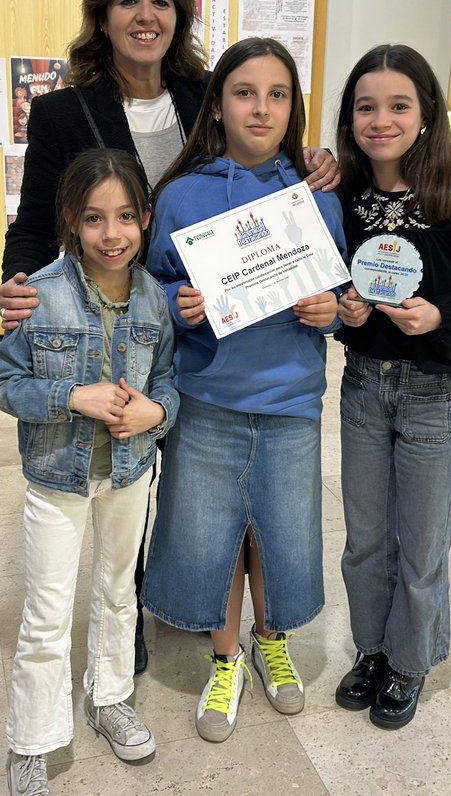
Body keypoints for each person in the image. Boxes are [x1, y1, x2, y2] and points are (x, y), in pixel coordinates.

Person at [0, 0, 339, 674]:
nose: (145, 16)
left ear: (180, 15)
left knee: (195, 477)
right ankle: (135, 615)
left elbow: (261, 147)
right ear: (104, 13)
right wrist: (19, 282)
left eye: (161, 2)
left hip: (209, 330)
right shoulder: (62, 113)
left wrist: (312, 157)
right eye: (129, 1)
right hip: (118, 321)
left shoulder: (203, 93)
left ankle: (188, 599)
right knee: (130, 470)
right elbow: (31, 222)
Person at [141, 37, 345, 743]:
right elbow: (152, 283)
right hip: (209, 397)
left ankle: (272, 638)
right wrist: (177, 304)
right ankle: (225, 656)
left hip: (290, 399)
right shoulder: (181, 195)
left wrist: (333, 309)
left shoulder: (319, 196)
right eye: (245, 92)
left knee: (279, 534)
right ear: (218, 105)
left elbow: (347, 294)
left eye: (278, 94)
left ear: (295, 107)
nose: (262, 108)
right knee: (215, 537)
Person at [331, 45, 451, 729]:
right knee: (365, 540)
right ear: (350, 118)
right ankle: (372, 649)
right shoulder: (344, 197)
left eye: (398, 105)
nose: (381, 120)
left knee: (422, 543)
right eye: (366, 107)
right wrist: (344, 313)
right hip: (362, 389)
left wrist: (442, 316)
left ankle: (409, 662)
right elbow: (329, 284)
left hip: (433, 394)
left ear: (426, 113)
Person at [0, 149, 179, 796]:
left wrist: (155, 410)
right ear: (71, 220)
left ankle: (109, 698)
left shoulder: (156, 301)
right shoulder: (37, 294)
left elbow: (170, 384)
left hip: (130, 473)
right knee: (46, 611)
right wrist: (71, 397)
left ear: (145, 219)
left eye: (126, 216)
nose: (112, 233)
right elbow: (1, 380)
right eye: (94, 218)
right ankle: (31, 742)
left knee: (118, 591)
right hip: (55, 476)